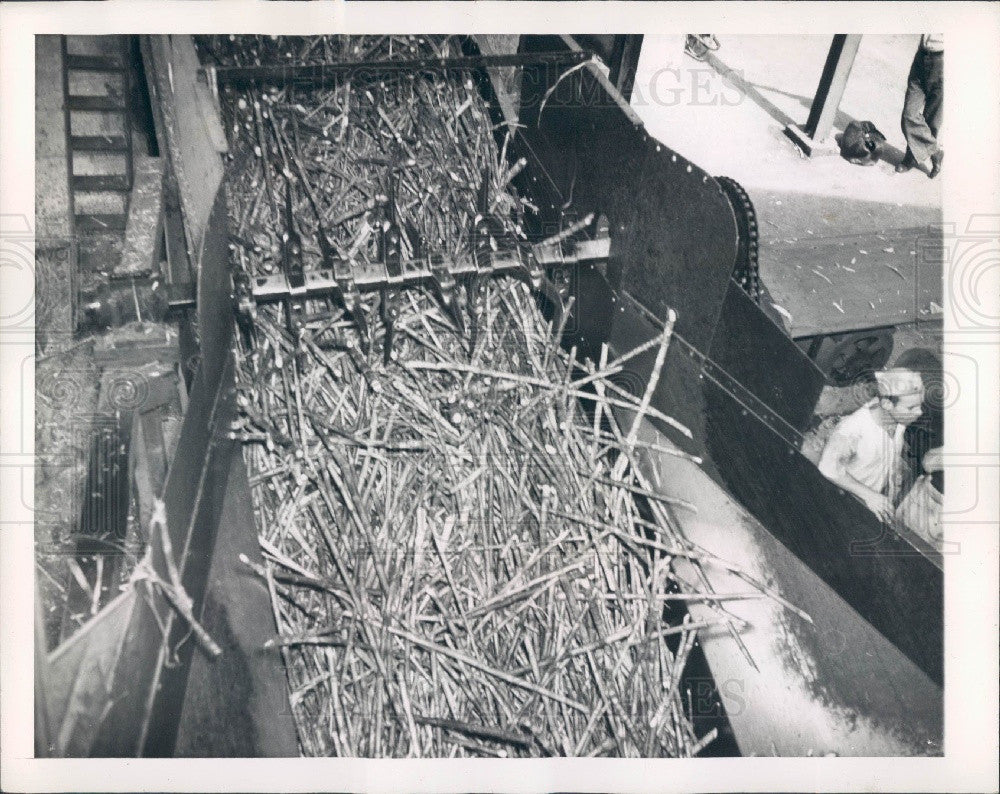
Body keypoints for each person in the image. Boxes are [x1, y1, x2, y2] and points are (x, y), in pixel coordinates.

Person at [818, 367, 924, 521]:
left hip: (866, 498)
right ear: (887, 404)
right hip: (841, 498)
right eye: (912, 408)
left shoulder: (899, 420)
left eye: (919, 405)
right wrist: (869, 495)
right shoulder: (855, 428)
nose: (919, 412)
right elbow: (827, 467)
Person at [895, 34, 944, 178]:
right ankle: (935, 151)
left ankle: (911, 158)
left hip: (943, 62)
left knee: (932, 121)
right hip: (921, 58)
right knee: (909, 115)